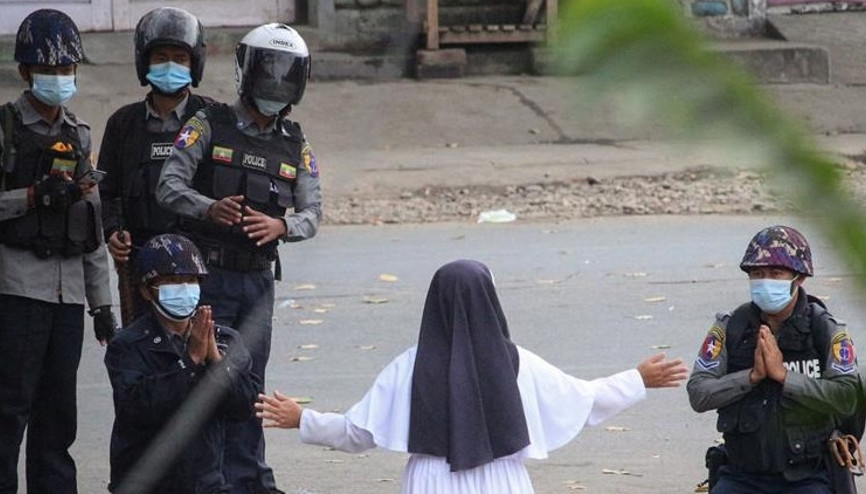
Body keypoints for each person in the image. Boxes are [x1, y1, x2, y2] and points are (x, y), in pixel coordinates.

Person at [256, 259, 688, 493]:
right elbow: (585, 399)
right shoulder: (516, 363)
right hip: (504, 482)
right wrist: (636, 380)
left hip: (429, 483)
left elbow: (359, 433)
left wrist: (303, 420)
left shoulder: (410, 365)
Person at [156, 22, 322, 494]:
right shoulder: (208, 124)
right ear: (247, 70)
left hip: (257, 282)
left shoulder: (296, 143)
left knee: (248, 384)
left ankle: (249, 480)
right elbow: (169, 185)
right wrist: (210, 207)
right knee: (204, 381)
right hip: (209, 277)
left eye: (287, 72)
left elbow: (312, 212)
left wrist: (281, 226)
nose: (276, 81)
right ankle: (205, 482)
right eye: (268, 69)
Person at [0, 9, 118, 494]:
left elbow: (89, 228)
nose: (59, 78)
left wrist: (102, 304)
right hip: (16, 291)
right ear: (26, 72)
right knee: (8, 413)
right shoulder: (5, 130)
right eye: (48, 70)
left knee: (58, 419)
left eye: (67, 69)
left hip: (68, 300)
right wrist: (30, 198)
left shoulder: (80, 135)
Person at [687, 225, 862, 493]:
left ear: (799, 278)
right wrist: (751, 377)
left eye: (775, 273)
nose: (765, 281)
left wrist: (784, 377)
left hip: (809, 475)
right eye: (758, 274)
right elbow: (699, 393)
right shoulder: (731, 327)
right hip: (741, 475)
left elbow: (848, 397)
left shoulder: (825, 328)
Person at [104, 233, 259, 493]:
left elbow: (244, 406)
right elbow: (138, 407)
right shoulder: (128, 344)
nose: (184, 289)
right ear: (146, 289)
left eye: (190, 280)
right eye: (173, 282)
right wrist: (189, 363)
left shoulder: (223, 339)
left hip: (206, 482)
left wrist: (216, 362)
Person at [98, 6, 211, 326]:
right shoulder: (122, 124)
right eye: (160, 57)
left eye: (180, 57)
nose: (170, 65)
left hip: (199, 268)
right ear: (143, 62)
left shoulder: (213, 118)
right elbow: (106, 191)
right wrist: (112, 233)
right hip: (142, 269)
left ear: (195, 63)